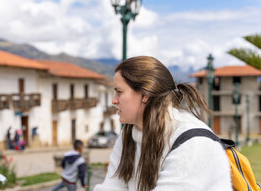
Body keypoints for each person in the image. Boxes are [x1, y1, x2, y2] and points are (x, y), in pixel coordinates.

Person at [94, 56, 232, 191]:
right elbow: (111, 186)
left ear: (145, 95)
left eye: (119, 92)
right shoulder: (130, 132)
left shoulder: (194, 143)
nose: (113, 101)